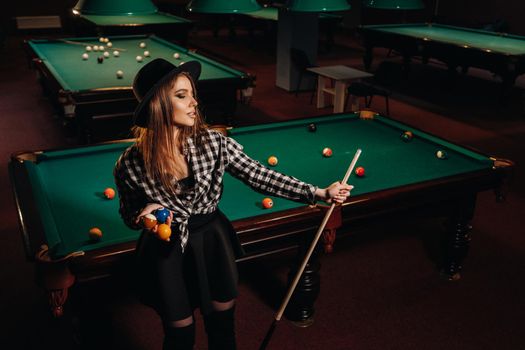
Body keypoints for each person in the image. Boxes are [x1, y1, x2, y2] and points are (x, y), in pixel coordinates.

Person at [113, 58, 353, 350]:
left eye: (192, 93)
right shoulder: (130, 163)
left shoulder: (215, 143)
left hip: (212, 241)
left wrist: (318, 192)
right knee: (179, 335)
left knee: (222, 329)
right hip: (167, 251)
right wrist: (143, 215)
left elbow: (260, 176)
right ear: (157, 106)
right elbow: (128, 213)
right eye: (181, 95)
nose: (194, 103)